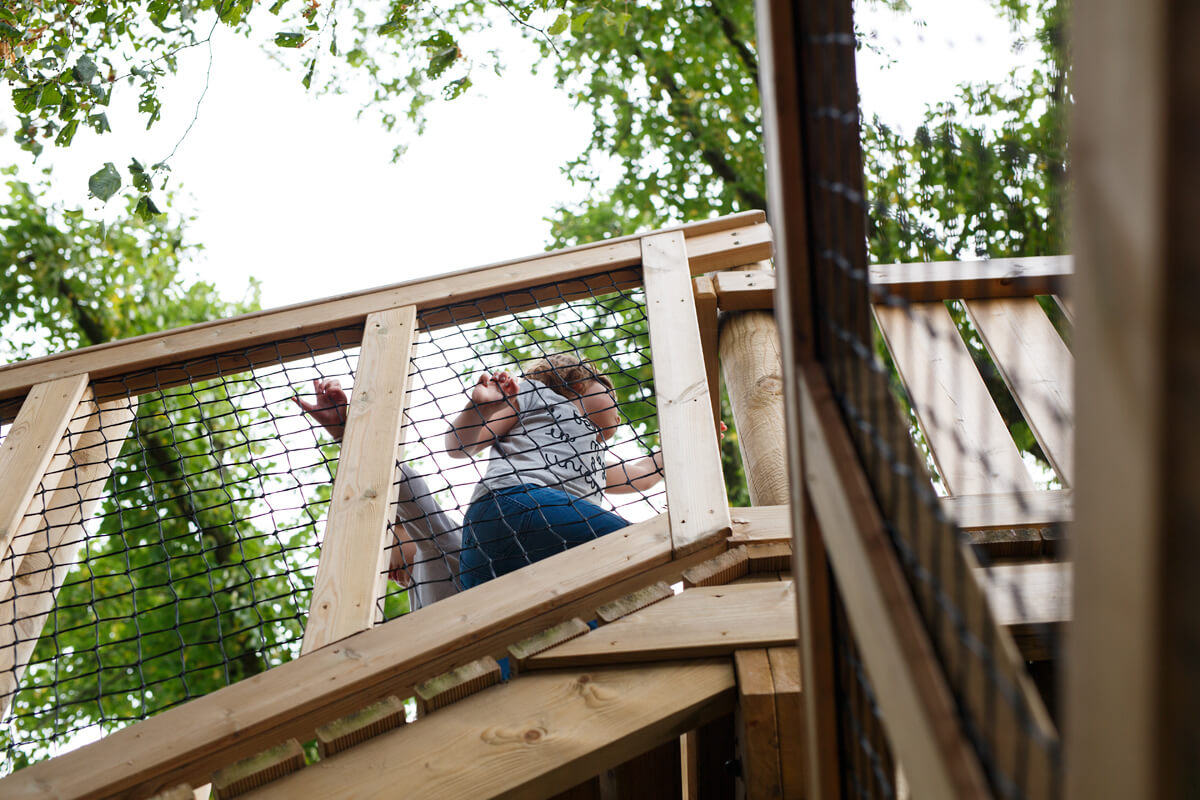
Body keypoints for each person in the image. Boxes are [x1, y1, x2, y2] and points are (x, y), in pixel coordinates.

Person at [444, 353, 666, 588]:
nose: (619, 417)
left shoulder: (596, 461)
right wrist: (481, 408)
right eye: (612, 397)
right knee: (633, 545)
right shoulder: (536, 395)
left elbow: (643, 475)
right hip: (511, 505)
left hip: (514, 554)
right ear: (581, 383)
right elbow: (458, 446)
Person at [292, 378, 462, 610]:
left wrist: (344, 433)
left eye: (379, 540)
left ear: (401, 522)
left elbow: (406, 489)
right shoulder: (417, 597)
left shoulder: (443, 545)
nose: (377, 562)